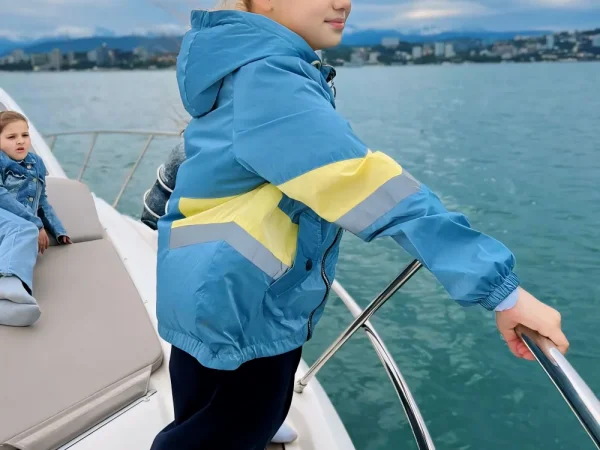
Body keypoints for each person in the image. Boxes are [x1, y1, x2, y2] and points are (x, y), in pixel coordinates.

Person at [152, 0, 569, 449]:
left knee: (232, 403)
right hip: (237, 303)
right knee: (215, 429)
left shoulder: (251, 65)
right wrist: (501, 289)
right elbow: (366, 185)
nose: (344, 2)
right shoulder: (269, 79)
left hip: (224, 288)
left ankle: (261, 423)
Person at [0, 111, 71, 327]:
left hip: (15, 228)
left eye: (25, 135)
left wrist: (58, 229)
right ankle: (8, 287)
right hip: (8, 220)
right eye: (11, 137)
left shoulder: (37, 163)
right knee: (25, 230)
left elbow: (42, 201)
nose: (20, 141)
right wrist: (35, 223)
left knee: (25, 232)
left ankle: (11, 304)